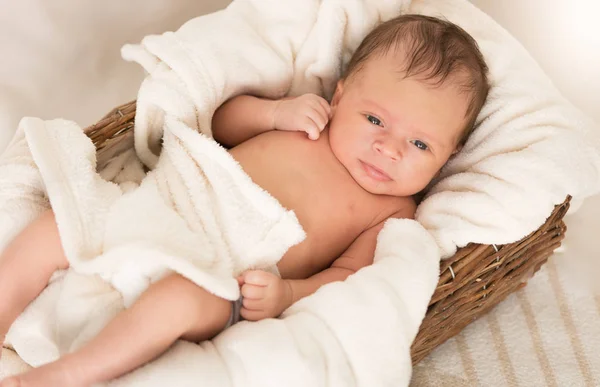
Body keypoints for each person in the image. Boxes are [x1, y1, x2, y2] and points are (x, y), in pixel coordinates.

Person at [0, 14, 489, 386]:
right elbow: (219, 126)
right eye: (375, 120)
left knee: (176, 304)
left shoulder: (392, 212)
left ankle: (66, 375)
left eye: (421, 145)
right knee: (53, 230)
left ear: (450, 156)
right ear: (339, 99)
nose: (389, 147)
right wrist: (275, 112)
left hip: (223, 272)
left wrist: (287, 296)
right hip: (160, 210)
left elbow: (346, 278)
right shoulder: (310, 123)